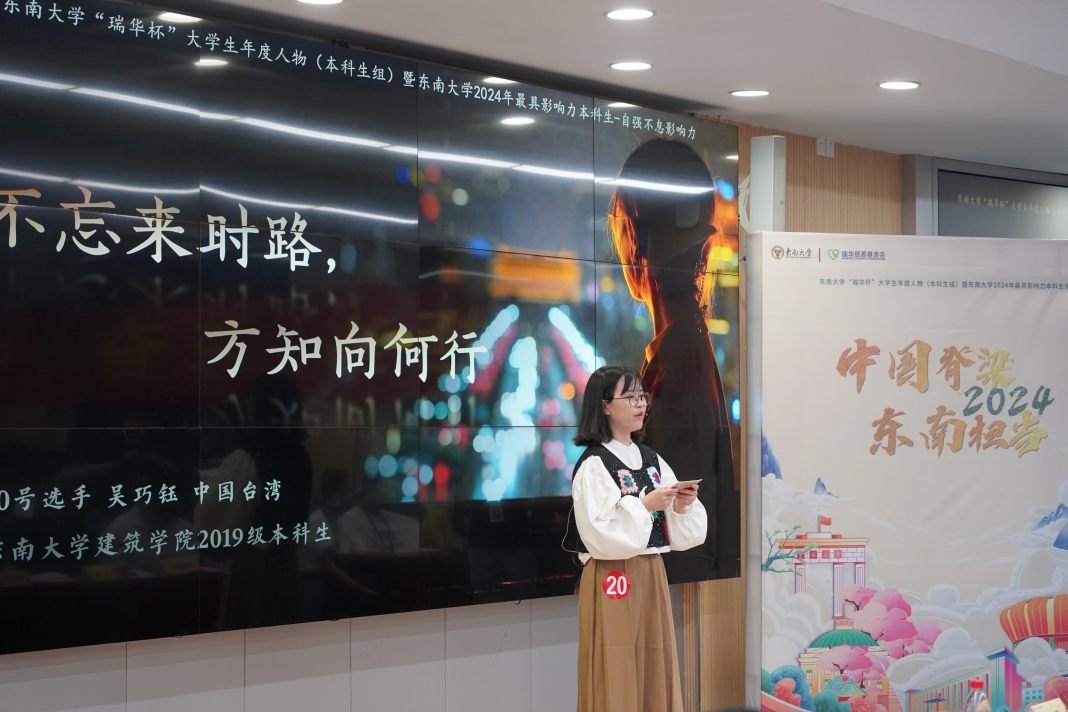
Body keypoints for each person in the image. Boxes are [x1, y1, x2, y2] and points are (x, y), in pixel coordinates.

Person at [607, 138, 737, 580]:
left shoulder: (675, 372)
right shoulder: (687, 349)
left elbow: (676, 525)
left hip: (660, 585)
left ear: (636, 238)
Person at [567, 364, 707, 712]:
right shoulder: (594, 463)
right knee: (615, 662)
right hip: (612, 572)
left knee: (654, 657)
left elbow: (674, 527)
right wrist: (645, 506)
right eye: (630, 397)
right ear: (604, 406)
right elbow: (598, 532)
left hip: (651, 569)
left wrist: (682, 503)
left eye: (642, 396)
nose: (641, 403)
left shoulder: (650, 458)